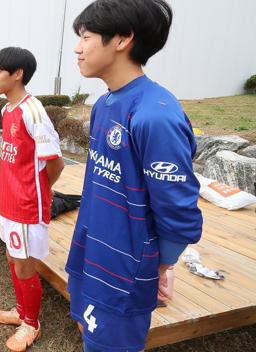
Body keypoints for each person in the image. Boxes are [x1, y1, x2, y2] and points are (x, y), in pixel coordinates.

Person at [64, 1, 203, 351]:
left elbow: (179, 208)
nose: (78, 47)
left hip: (124, 267)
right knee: (89, 333)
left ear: (123, 38)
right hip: (93, 250)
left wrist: (165, 262)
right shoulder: (104, 104)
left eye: (86, 36)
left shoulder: (154, 115)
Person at [0, 47, 65, 351]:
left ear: (17, 74)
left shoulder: (33, 111)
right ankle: (21, 312)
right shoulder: (7, 110)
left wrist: (38, 193)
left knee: (24, 265)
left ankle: (31, 323)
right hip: (8, 202)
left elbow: (55, 162)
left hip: (26, 206)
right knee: (12, 258)